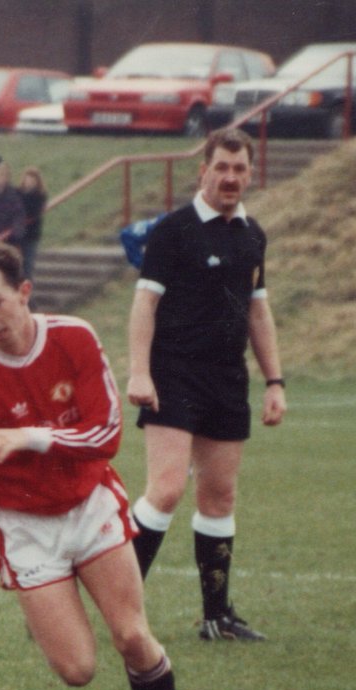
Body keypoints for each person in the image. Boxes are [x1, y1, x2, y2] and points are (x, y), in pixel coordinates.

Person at [0, 240, 219, 690]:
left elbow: (107, 433)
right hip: (24, 527)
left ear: (24, 291)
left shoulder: (74, 338)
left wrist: (32, 436)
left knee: (133, 637)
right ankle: (46, 606)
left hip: (89, 505)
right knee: (78, 670)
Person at [126, 127, 286, 642]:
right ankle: (117, 602)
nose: (231, 177)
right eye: (222, 167)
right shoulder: (172, 231)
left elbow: (259, 313)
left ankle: (217, 616)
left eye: (240, 169)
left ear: (250, 174)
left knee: (219, 498)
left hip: (226, 379)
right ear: (204, 171)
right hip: (173, 373)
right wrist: (138, 371)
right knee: (167, 490)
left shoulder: (252, 235)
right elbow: (144, 303)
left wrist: (275, 381)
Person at [18, 165, 48, 284]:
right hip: (18, 234)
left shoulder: (39, 195)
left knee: (28, 265)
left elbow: (33, 212)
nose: (29, 182)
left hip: (31, 235)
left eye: (32, 180)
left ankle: (27, 294)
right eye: (27, 179)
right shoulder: (17, 192)